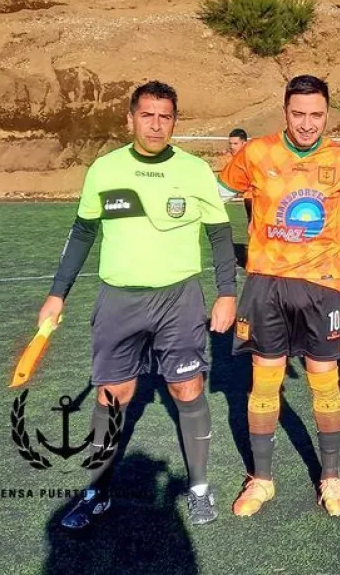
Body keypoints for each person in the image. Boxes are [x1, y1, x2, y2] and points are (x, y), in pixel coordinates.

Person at [38, 81, 238, 530]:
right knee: (114, 395)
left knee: (187, 390)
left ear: (174, 122)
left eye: (164, 116)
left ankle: (200, 488)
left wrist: (227, 292)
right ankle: (97, 492)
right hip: (118, 299)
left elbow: (221, 236)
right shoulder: (104, 170)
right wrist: (57, 292)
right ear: (130, 119)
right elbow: (83, 233)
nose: (155, 124)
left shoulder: (193, 171)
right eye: (146, 115)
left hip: (179, 298)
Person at [218, 76, 340, 518]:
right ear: (285, 112)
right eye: (298, 114)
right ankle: (261, 479)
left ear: (327, 114)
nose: (306, 124)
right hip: (266, 284)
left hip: (322, 287)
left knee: (324, 381)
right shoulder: (256, 154)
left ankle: (331, 476)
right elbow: (212, 200)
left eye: (316, 115)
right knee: (265, 381)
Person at [226, 128, 253, 222]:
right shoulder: (231, 158)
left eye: (235, 144)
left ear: (244, 144)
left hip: (254, 198)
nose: (232, 146)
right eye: (230, 144)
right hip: (248, 197)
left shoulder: (251, 158)